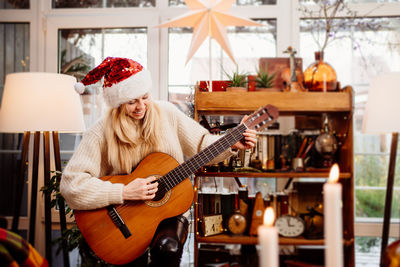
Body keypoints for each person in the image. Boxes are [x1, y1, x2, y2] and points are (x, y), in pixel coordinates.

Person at [60, 57, 257, 266]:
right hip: (124, 220)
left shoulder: (167, 113)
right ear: (117, 103)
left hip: (168, 214)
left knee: (167, 247)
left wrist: (233, 143)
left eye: (145, 97)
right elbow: (71, 184)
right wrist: (123, 192)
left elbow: (201, 144)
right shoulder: (100, 132)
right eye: (131, 101)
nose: (140, 107)